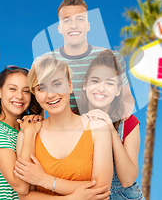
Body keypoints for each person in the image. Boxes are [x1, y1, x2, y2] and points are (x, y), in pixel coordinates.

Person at [14, 56, 113, 199]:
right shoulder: (27, 134)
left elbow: (101, 190)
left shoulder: (98, 128)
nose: (51, 94)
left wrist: (45, 180)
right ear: (35, 94)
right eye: (41, 88)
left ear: (70, 85)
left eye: (57, 84)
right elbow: (25, 196)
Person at [36, 0, 134, 117]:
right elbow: (39, 104)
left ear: (88, 25)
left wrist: (127, 106)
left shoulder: (111, 58)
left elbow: (127, 96)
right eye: (67, 20)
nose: (73, 26)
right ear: (59, 28)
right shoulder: (43, 61)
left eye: (80, 19)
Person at [80, 50, 145, 200]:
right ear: (85, 84)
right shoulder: (72, 117)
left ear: (118, 90)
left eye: (109, 83)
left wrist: (110, 127)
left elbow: (127, 179)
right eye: (95, 81)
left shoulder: (128, 122)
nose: (101, 89)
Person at [0, 66, 44, 199]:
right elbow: (21, 187)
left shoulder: (27, 126)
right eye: (12, 89)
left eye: (26, 91)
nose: (19, 96)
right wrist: (29, 133)